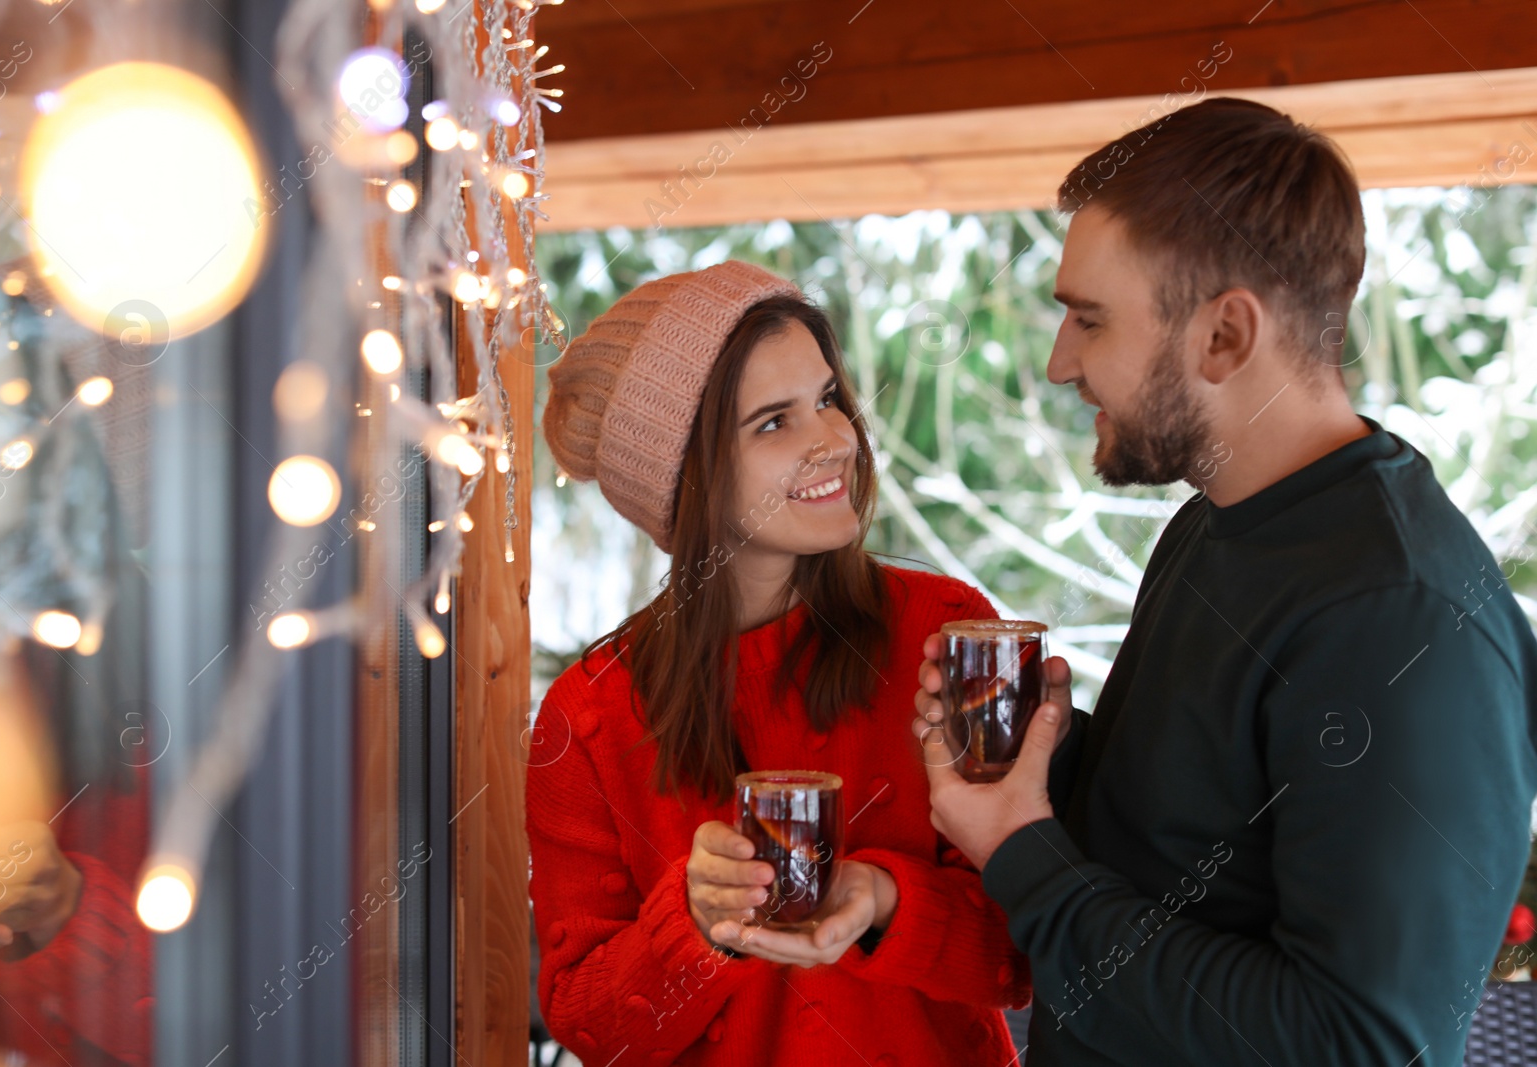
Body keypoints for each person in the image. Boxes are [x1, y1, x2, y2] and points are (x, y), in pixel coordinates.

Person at [912, 96, 1537, 1065]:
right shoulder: (1210, 526)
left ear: (1223, 337)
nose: (1056, 363)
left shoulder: (1396, 613)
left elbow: (1359, 1044)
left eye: (1088, 319)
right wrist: (1042, 753)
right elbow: (1177, 846)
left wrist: (1023, 854)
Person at [529, 261, 1031, 1066]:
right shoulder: (587, 715)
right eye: (774, 422)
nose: (835, 438)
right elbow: (591, 1030)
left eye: (827, 398)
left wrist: (885, 899)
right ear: (685, 477)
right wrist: (690, 921)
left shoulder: (944, 630)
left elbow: (1027, 953)